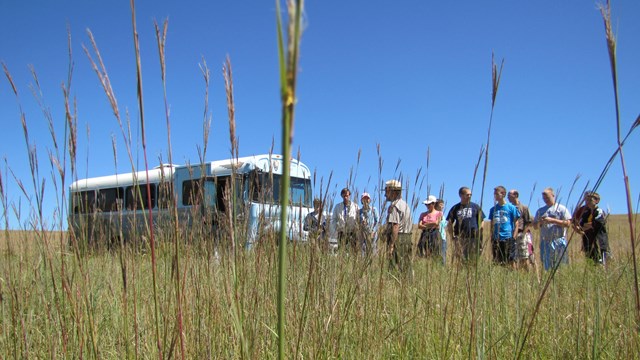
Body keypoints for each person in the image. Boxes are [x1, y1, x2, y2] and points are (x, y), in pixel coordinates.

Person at [533, 187, 572, 271]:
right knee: (547, 266)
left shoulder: (561, 208)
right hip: (545, 241)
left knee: (562, 265)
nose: (545, 199)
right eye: (544, 198)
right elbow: (535, 226)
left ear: (553, 195)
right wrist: (540, 222)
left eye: (547, 197)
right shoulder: (540, 210)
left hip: (558, 240)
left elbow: (568, 223)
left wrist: (553, 220)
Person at [382, 179, 413, 276]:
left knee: (394, 266)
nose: (385, 194)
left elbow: (395, 226)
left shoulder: (394, 206)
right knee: (406, 265)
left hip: (398, 239)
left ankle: (395, 286)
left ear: (393, 192)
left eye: (386, 191)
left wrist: (391, 245)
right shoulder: (405, 204)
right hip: (407, 237)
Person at [446, 186, 485, 263]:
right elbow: (450, 223)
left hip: (473, 237)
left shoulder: (475, 207)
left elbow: (482, 220)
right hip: (460, 237)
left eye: (470, 194)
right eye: (467, 194)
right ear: (461, 195)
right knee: (461, 259)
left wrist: (479, 231)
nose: (469, 196)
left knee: (473, 258)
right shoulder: (455, 208)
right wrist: (452, 236)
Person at [489, 186, 520, 266]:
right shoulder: (493, 209)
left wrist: (514, 236)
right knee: (497, 260)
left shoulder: (511, 208)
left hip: (508, 237)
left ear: (503, 194)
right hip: (496, 238)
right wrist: (492, 236)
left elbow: (516, 223)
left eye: (496, 194)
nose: (495, 196)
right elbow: (491, 224)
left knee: (510, 260)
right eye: (494, 194)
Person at [577, 192, 610, 266]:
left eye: (590, 200)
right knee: (591, 264)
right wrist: (586, 226)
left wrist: (586, 226)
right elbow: (581, 225)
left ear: (597, 201)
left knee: (602, 264)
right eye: (586, 200)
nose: (587, 202)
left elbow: (596, 224)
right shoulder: (586, 213)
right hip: (588, 241)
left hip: (599, 242)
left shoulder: (599, 211)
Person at [508, 189, 536, 271]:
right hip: (512, 234)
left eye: (509, 195)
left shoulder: (524, 208)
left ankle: (527, 273)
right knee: (514, 256)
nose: (508, 197)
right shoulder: (509, 208)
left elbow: (528, 222)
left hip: (522, 234)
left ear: (515, 195)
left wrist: (523, 234)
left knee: (525, 255)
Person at [331, 187, 360, 253]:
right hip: (342, 233)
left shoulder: (355, 206)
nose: (345, 197)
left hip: (353, 233)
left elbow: (358, 219)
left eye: (347, 195)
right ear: (341, 196)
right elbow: (334, 219)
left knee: (354, 252)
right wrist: (337, 228)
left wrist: (357, 229)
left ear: (349, 195)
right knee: (341, 252)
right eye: (344, 196)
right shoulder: (337, 207)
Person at [417, 195, 442, 259]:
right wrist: (430, 225)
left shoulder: (439, 213)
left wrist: (425, 224)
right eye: (426, 204)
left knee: (434, 251)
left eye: (429, 204)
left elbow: (436, 223)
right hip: (425, 234)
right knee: (422, 250)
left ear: (433, 204)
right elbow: (419, 226)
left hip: (434, 233)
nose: (427, 206)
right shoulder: (423, 214)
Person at [436, 199, 448, 265]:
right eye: (440, 205)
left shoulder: (443, 215)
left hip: (443, 237)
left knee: (443, 255)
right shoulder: (435, 214)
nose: (442, 206)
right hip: (436, 236)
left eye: (443, 205)